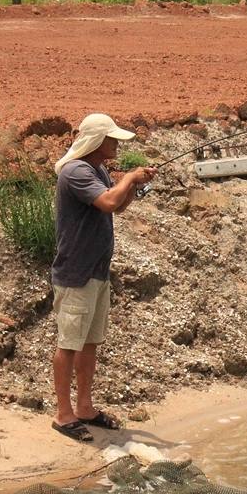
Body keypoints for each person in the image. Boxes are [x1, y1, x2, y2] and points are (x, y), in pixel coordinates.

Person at [50, 113, 157, 441]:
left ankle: (85, 408)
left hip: (96, 270)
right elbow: (109, 201)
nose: (116, 145)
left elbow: (116, 206)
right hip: (76, 272)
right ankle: (63, 414)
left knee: (90, 342)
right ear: (97, 141)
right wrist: (127, 179)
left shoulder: (96, 169)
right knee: (69, 344)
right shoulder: (77, 171)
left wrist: (132, 184)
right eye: (112, 140)